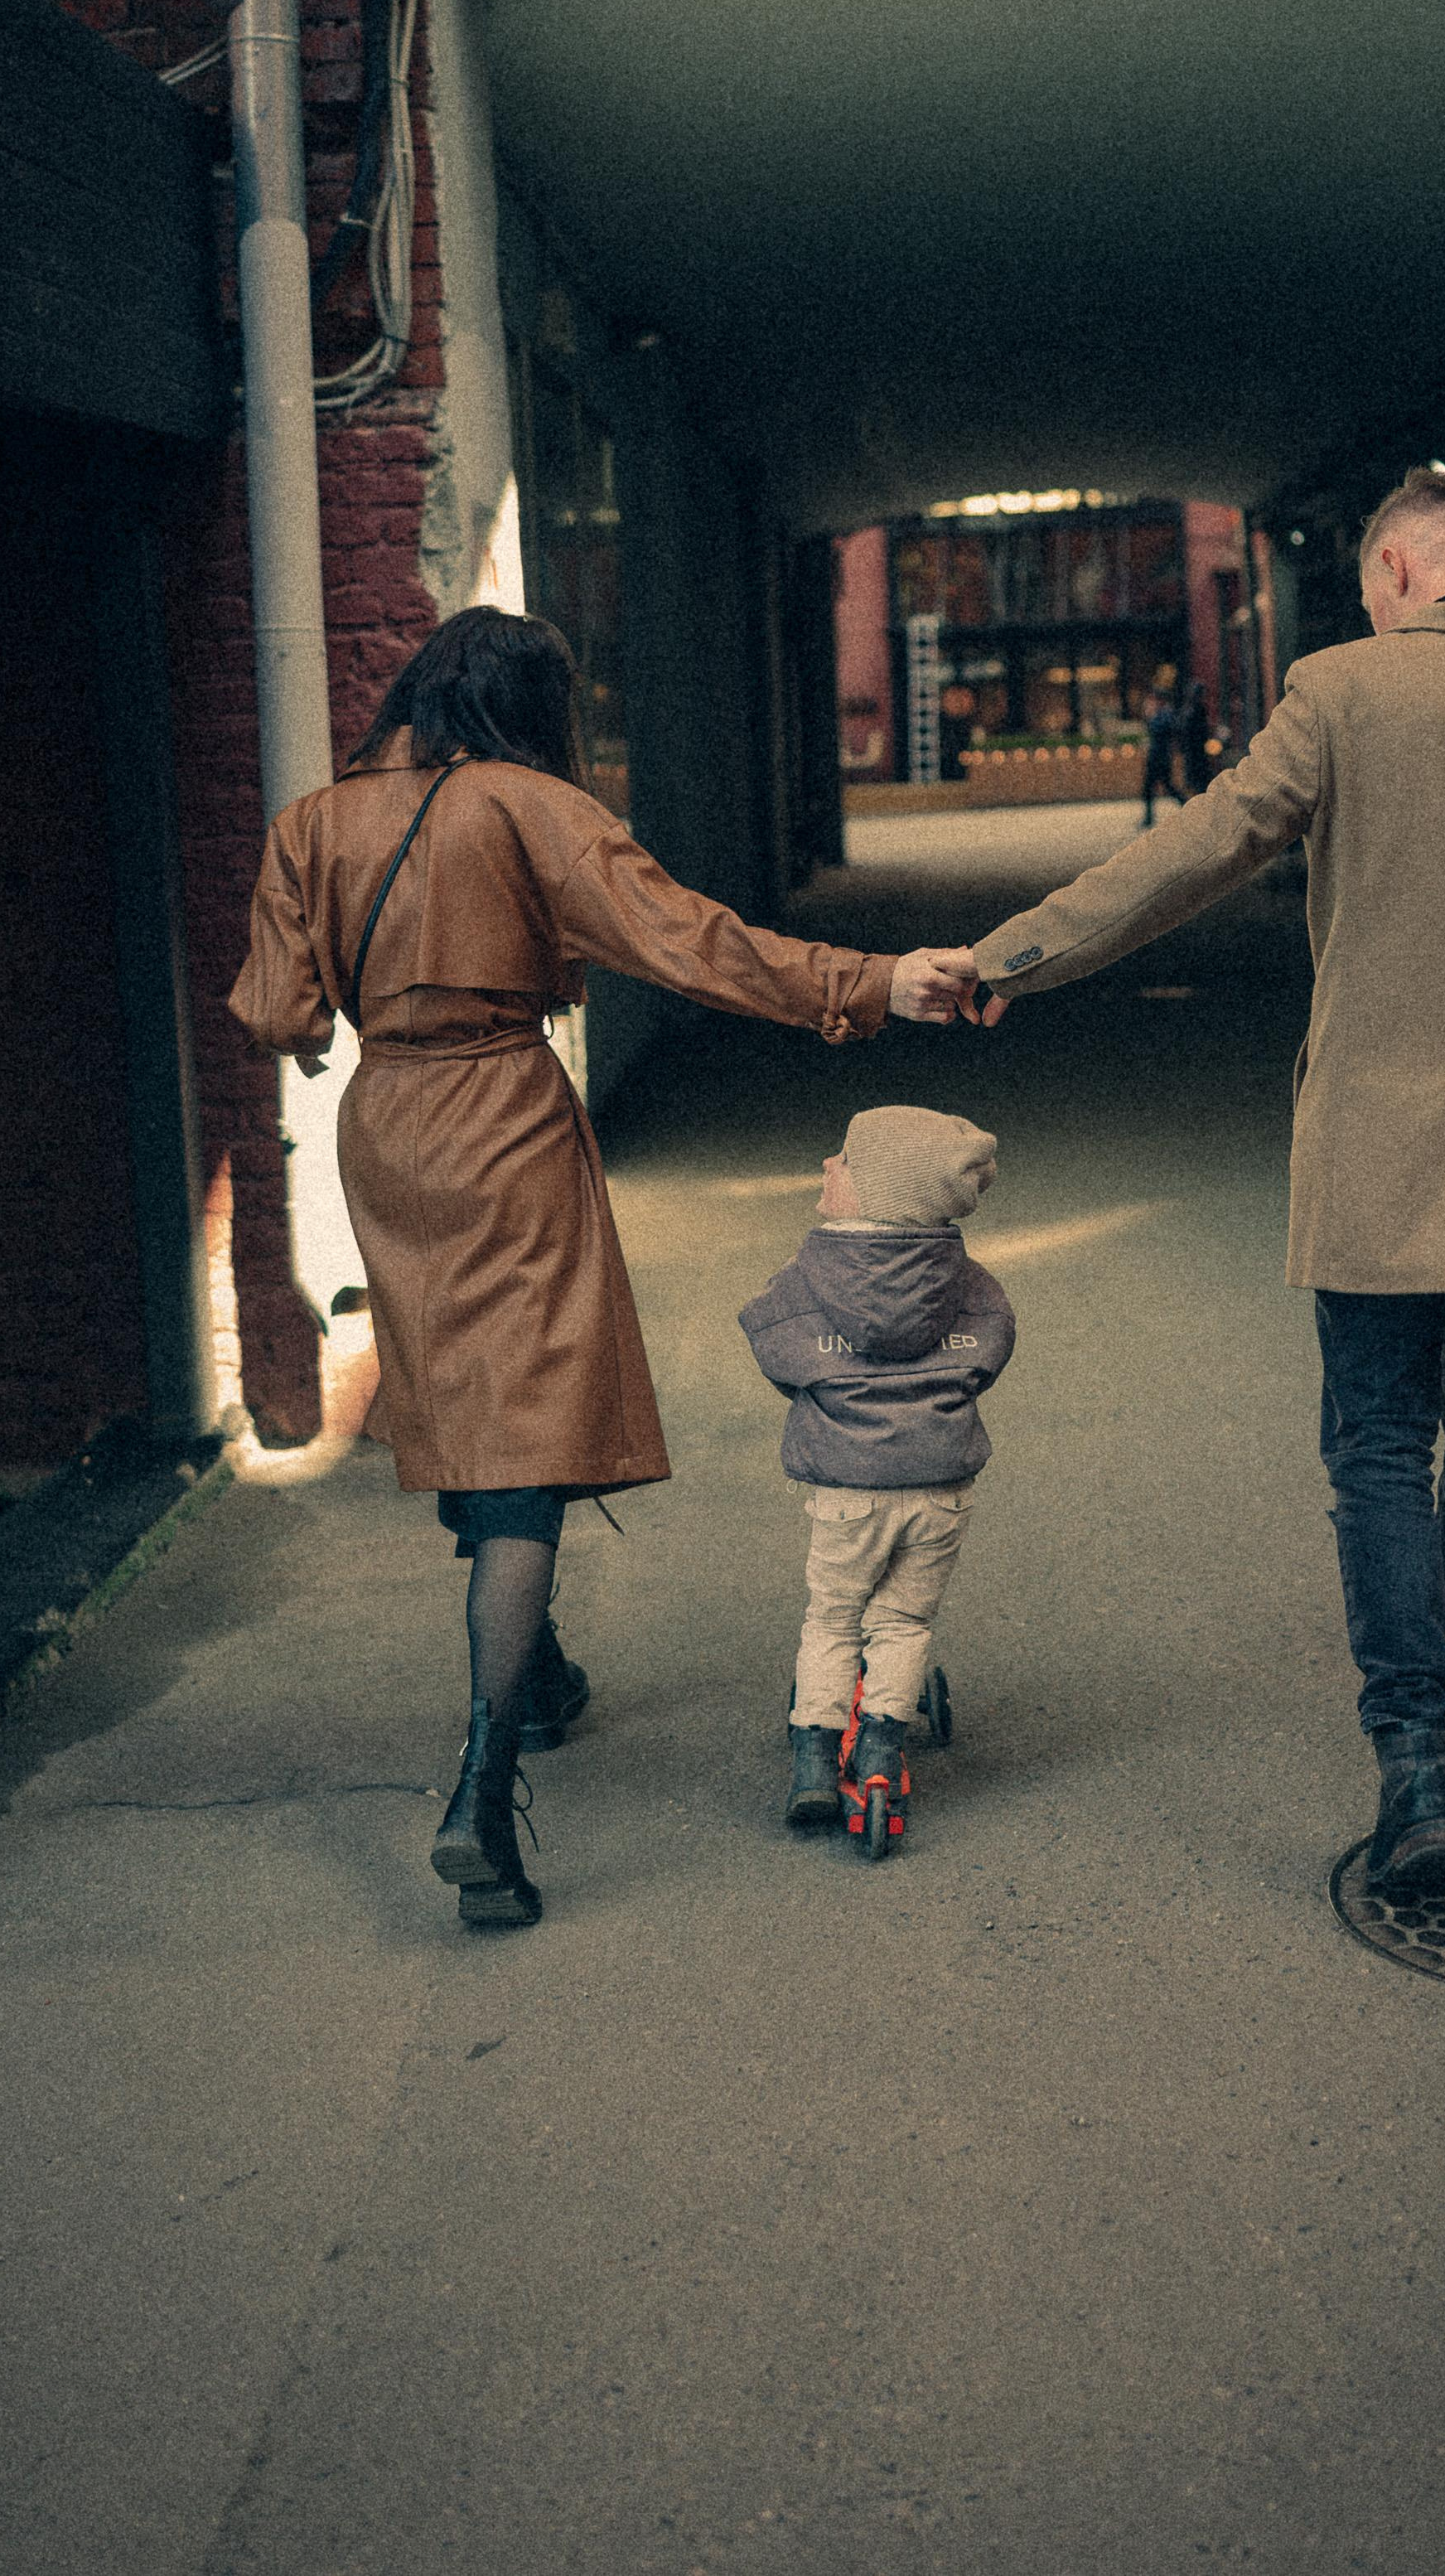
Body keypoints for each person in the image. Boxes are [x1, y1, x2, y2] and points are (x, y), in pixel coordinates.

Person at [962, 466, 1445, 1899]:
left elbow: (1193, 853)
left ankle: (1412, 1771)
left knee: (1376, 1444)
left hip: (1377, 1143)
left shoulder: (1342, 691)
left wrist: (1011, 958)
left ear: (1391, 575)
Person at [230, 606, 976, 1932]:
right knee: (522, 1443)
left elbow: (282, 1017)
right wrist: (874, 981)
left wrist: (370, 994)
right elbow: (693, 940)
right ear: (533, 709)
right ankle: (481, 1780)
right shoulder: (531, 808)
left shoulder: (312, 822)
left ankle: (547, 1669)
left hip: (387, 1132)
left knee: (463, 1395)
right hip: (504, 1119)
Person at [737, 1106, 1013, 1842]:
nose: (829, 1164)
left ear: (882, 1193)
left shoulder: (807, 1277)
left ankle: (813, 1763)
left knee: (833, 1617)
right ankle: (883, 1746)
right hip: (938, 1487)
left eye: (847, 1161)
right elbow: (987, 1350)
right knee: (903, 1619)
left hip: (846, 1491)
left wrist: (832, 1396)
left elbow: (775, 1350)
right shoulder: (968, 1280)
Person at [1140, 688, 1181, 826]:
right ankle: (1148, 818)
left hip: (1161, 756)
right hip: (1157, 756)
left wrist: (1150, 717)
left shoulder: (1166, 714)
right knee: (1150, 788)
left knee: (1167, 786)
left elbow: (1160, 730)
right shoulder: (1162, 713)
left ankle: (1187, 805)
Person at [1177, 675, 1220, 799]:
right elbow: (1200, 730)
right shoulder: (1197, 710)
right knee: (1199, 780)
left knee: (1195, 780)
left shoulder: (1189, 709)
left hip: (1193, 751)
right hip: (1197, 751)